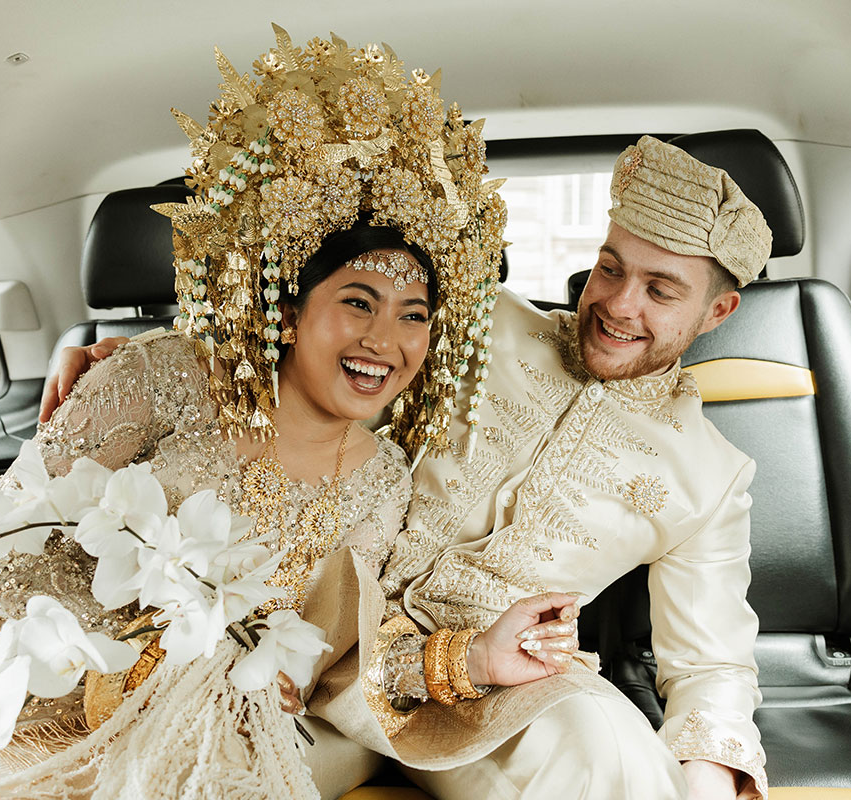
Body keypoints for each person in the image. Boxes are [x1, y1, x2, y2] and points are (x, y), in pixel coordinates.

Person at [0, 31, 581, 800]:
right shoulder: (164, 373)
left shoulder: (383, 481)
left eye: (413, 315)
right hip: (14, 659)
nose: (385, 341)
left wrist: (478, 657)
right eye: (358, 302)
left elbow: (346, 660)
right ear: (288, 311)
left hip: (180, 716)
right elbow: (9, 529)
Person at [54, 136, 773, 799]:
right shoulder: (481, 320)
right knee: (187, 765)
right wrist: (141, 359)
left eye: (660, 290)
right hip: (298, 640)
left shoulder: (712, 477)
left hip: (488, 689)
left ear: (719, 311)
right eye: (610, 269)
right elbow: (326, 333)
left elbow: (712, 668)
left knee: (604, 747)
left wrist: (708, 785)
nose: (618, 304)